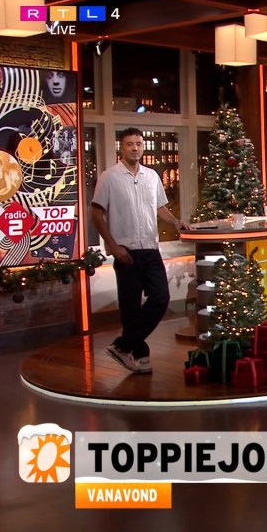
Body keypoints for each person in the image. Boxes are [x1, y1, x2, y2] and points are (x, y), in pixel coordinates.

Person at [91, 127, 189, 374]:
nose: (135, 148)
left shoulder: (152, 176)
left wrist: (176, 222)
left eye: (138, 144)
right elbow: (96, 213)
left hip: (150, 249)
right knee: (130, 308)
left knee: (160, 299)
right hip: (126, 252)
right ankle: (140, 355)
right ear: (121, 148)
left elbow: (160, 208)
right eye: (130, 144)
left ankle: (122, 346)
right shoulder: (109, 177)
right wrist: (113, 246)